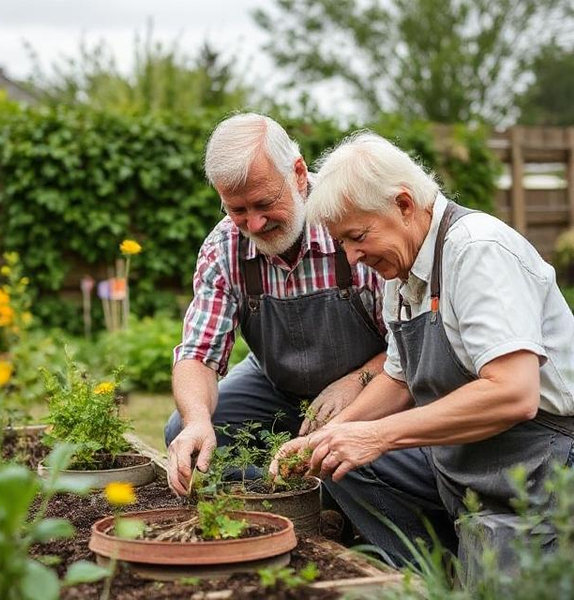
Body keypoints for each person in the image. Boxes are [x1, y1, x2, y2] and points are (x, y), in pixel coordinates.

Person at [270, 131, 574, 569]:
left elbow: (513, 392)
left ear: (404, 204)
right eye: (343, 244)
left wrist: (376, 437)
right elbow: (398, 378)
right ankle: (419, 575)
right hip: (464, 460)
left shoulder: (476, 250)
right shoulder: (403, 272)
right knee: (340, 462)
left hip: (538, 463)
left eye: (358, 236)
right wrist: (327, 438)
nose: (352, 258)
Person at [165, 114, 388, 495]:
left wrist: (357, 381)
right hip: (276, 386)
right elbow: (198, 354)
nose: (254, 223)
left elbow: (411, 346)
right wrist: (198, 419)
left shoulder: (351, 223)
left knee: (366, 451)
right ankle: (290, 495)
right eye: (237, 210)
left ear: (298, 174)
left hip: (370, 386)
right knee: (182, 430)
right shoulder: (223, 249)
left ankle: (331, 495)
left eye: (264, 203)